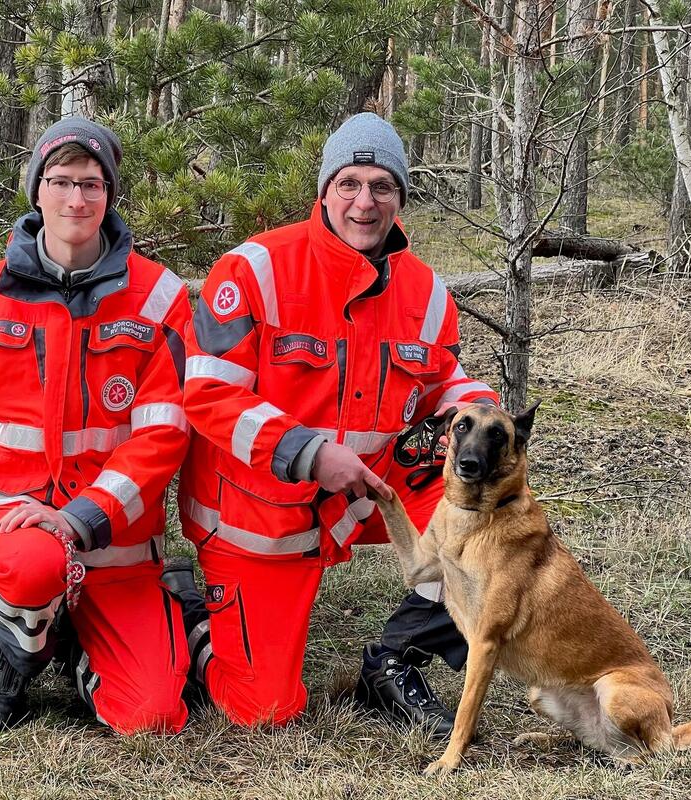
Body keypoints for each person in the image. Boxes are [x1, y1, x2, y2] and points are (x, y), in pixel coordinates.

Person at [170, 112, 499, 733]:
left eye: (382, 186)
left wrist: (477, 408)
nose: (364, 202)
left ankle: (395, 660)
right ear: (323, 191)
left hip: (364, 493)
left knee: (493, 520)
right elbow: (209, 395)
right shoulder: (254, 269)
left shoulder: (426, 291)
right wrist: (309, 453)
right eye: (349, 182)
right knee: (265, 709)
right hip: (260, 514)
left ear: (400, 197)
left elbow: (439, 382)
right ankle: (188, 614)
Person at [0, 117, 193, 734]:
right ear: (36, 191)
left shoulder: (159, 298)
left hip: (114, 539)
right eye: (61, 181)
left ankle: (71, 646)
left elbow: (162, 436)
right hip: (9, 523)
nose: (76, 199)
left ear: (109, 195)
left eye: (91, 184)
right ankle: (16, 652)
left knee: (152, 716)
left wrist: (79, 516)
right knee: (34, 567)